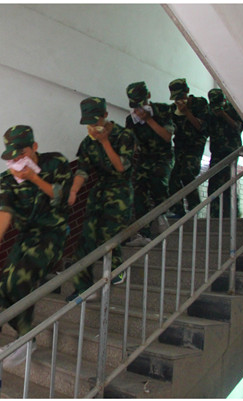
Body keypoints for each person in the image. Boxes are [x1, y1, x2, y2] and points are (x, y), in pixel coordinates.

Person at [0, 125, 72, 367]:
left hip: (52, 233)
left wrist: (34, 178)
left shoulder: (55, 162)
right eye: (12, 156)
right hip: (25, 236)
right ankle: (24, 336)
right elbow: (5, 208)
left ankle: (25, 339)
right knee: (4, 288)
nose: (17, 160)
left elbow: (63, 198)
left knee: (20, 280)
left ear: (34, 147)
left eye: (21, 153)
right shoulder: (8, 178)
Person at [65, 97, 135, 302]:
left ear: (105, 115)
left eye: (95, 121)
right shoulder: (87, 143)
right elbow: (82, 170)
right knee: (86, 238)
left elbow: (120, 167)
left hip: (120, 191)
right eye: (88, 123)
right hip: (99, 191)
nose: (92, 127)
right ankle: (84, 288)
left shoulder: (124, 135)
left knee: (108, 234)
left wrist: (105, 142)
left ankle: (117, 269)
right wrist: (73, 191)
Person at [125, 81, 175, 246]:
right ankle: (142, 233)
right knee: (138, 191)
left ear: (148, 96)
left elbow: (167, 136)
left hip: (163, 156)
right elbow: (131, 144)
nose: (138, 108)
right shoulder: (131, 120)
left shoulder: (163, 110)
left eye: (141, 103)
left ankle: (161, 215)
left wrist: (149, 120)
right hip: (144, 158)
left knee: (158, 181)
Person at [167, 78, 209, 217]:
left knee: (187, 173)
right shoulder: (173, 109)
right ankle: (177, 210)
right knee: (173, 177)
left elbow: (201, 127)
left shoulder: (199, 103)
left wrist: (187, 112)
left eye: (181, 96)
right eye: (176, 98)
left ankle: (194, 206)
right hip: (180, 146)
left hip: (194, 145)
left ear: (187, 91)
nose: (179, 100)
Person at [206, 88, 243, 216]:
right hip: (216, 152)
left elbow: (237, 127)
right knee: (213, 183)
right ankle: (214, 215)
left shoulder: (233, 109)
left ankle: (232, 214)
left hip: (230, 151)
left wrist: (223, 114)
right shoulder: (210, 112)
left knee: (228, 182)